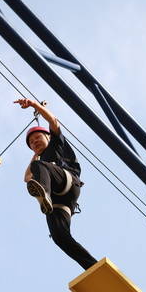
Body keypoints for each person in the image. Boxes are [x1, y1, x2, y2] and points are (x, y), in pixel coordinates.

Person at [14, 98, 97, 270]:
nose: (34, 142)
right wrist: (35, 153)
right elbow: (26, 177)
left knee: (39, 167)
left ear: (48, 137)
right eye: (31, 143)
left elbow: (53, 121)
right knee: (60, 237)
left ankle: (43, 192)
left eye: (37, 138)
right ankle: (91, 266)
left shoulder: (57, 143)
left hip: (69, 182)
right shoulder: (39, 160)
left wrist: (34, 105)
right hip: (62, 202)